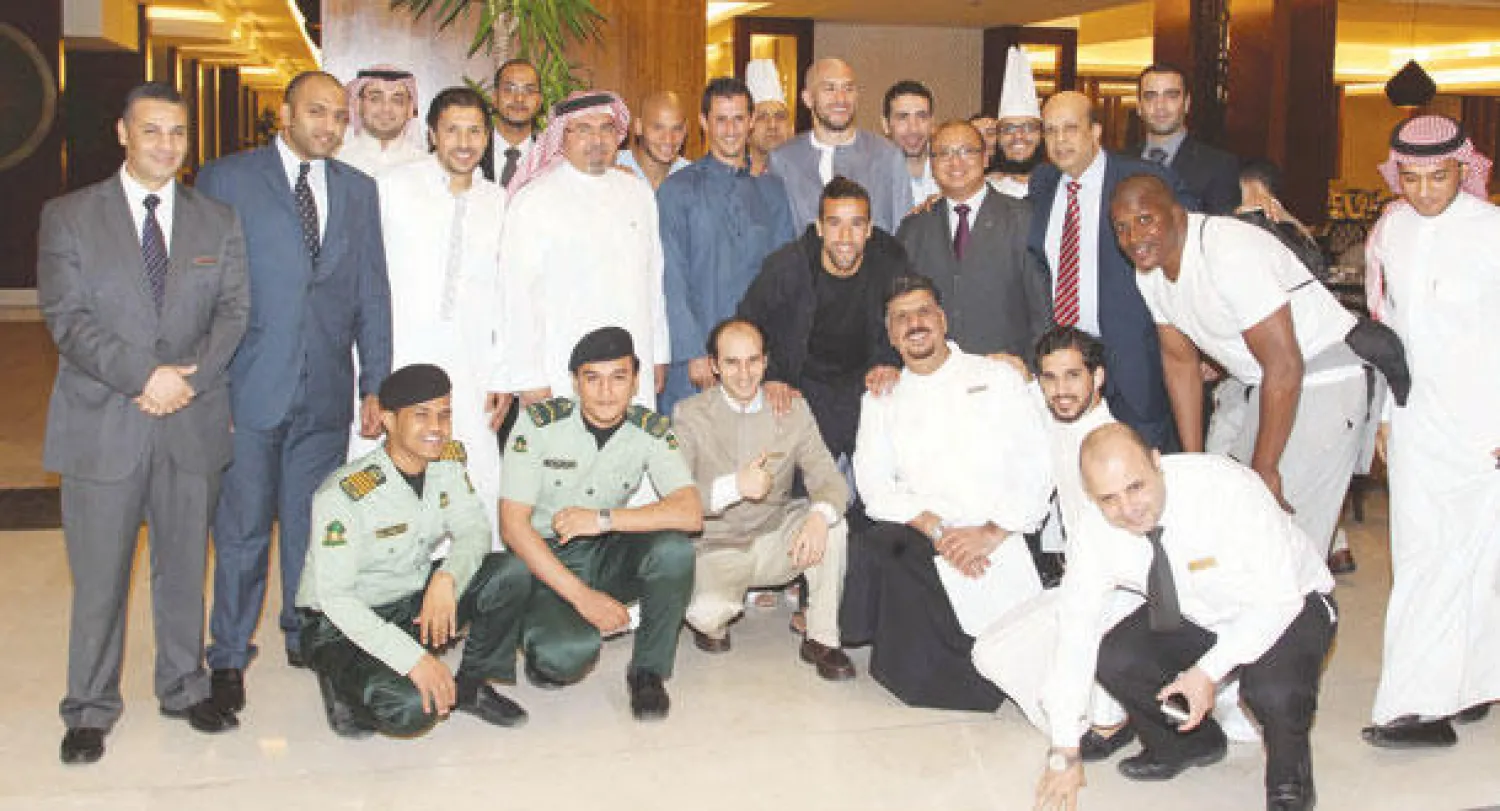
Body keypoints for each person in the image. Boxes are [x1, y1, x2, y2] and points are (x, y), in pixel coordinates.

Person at [39, 82, 250, 764]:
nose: (167, 144)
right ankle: (90, 706)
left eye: (179, 133)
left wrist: (185, 380)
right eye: (153, 131)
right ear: (123, 133)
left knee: (184, 567)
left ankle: (185, 686)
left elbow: (234, 314)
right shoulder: (69, 217)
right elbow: (67, 320)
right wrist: (144, 377)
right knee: (99, 577)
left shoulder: (218, 219)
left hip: (190, 418)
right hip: (106, 421)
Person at [196, 70, 393, 715]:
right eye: (317, 112)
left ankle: (302, 632)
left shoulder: (358, 190)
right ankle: (228, 654)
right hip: (250, 387)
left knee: (313, 528)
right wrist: (209, 385)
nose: (329, 126)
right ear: (285, 113)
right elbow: (205, 294)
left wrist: (377, 384)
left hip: (328, 392)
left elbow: (371, 293)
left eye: (339, 116)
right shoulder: (227, 180)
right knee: (244, 529)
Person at [1035, 424, 1335, 811]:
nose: (1127, 509)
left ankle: (1288, 780)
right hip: (1200, 614)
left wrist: (1205, 673)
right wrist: (1064, 751)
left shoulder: (1226, 490)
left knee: (1273, 692)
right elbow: (1075, 634)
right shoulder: (1092, 533)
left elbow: (1279, 600)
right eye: (1108, 499)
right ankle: (1188, 745)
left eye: (1136, 487)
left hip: (1290, 606)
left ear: (1157, 463)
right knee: (1117, 658)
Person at [1110, 173, 1368, 561]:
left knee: (1286, 540)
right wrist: (1194, 460)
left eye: (1145, 219)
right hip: (1260, 383)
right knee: (1228, 513)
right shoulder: (1150, 269)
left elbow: (1284, 363)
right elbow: (1181, 364)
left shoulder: (1227, 251)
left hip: (1321, 377)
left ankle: (1302, 613)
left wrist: (1267, 467)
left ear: (1177, 213)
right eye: (1122, 228)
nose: (1133, 238)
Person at [1360, 114, 1500, 749]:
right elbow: (1392, 339)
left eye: (1438, 176)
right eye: (1410, 177)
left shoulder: (1492, 232)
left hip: (1483, 426)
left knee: (1473, 561)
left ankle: (1435, 698)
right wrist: (1386, 420)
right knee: (1422, 559)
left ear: (1463, 169)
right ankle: (1444, 692)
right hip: (1417, 421)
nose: (1423, 190)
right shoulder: (1391, 231)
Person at [851, 275, 1053, 710]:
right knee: (880, 542)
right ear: (890, 335)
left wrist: (992, 531)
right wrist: (937, 529)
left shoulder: (996, 376)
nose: (915, 323)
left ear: (943, 319)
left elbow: (1036, 463)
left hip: (1005, 530)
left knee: (1023, 657)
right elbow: (873, 486)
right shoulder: (882, 397)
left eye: (923, 311)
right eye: (901, 318)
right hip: (930, 539)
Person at [297, 365, 530, 738]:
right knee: (412, 709)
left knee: (509, 572)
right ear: (388, 420)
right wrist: (413, 660)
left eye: (444, 414)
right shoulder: (344, 495)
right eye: (421, 416)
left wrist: (446, 578)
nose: (436, 427)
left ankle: (471, 687)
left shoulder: (447, 464)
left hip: (409, 597)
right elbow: (336, 599)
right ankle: (340, 683)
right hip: (340, 624)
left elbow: (473, 529)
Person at [498, 328, 702, 720]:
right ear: (575, 382)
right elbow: (512, 527)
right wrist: (582, 597)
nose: (607, 392)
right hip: (541, 559)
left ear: (636, 381)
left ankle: (648, 672)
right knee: (567, 656)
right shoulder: (538, 426)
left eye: (619, 377)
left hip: (604, 548)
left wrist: (604, 519)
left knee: (674, 549)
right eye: (593, 378)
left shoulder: (649, 429)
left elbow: (690, 512)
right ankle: (541, 637)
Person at [354, 87, 509, 547]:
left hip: (473, 365)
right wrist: (372, 374)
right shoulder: (391, 189)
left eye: (475, 131)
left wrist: (501, 371)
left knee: (473, 475)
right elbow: (369, 284)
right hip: (403, 354)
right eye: (452, 130)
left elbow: (506, 294)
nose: (464, 142)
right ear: (431, 135)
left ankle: (470, 588)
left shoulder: (498, 201)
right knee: (391, 477)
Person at [971, 327, 1135, 757]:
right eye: (1050, 378)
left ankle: (1110, 720)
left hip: (1121, 592)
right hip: (1077, 582)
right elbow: (1011, 396)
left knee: (1079, 657)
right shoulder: (1055, 412)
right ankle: (1074, 718)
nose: (1060, 390)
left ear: (1097, 378)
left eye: (1072, 376)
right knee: (990, 653)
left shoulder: (1111, 442)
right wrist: (1011, 371)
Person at [672, 319, 854, 679]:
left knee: (833, 524)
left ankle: (822, 638)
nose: (744, 375)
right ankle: (717, 617)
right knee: (706, 615)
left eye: (753, 361)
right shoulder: (689, 414)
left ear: (766, 362)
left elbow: (830, 480)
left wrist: (819, 516)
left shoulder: (793, 410)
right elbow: (677, 498)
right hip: (715, 544)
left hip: (775, 536)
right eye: (732, 363)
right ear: (713, 365)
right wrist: (734, 487)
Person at [499, 91, 669, 410]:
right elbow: (518, 297)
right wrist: (529, 379)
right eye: (584, 130)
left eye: (606, 128)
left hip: (631, 365)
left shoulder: (637, 192)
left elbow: (653, 282)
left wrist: (658, 354)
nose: (597, 139)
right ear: (561, 138)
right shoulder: (533, 201)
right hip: (560, 370)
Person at [1029, 91, 1178, 450]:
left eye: (1070, 128)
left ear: (1095, 131)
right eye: (1050, 131)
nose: (1060, 140)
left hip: (1132, 361)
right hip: (1064, 366)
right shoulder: (1043, 184)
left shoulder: (1143, 180)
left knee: (1142, 472)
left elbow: (1185, 251)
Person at [736, 177, 908, 464]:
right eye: (834, 223)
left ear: (869, 229)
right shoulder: (788, 266)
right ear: (819, 227)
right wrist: (773, 376)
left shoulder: (889, 261)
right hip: (804, 381)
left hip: (864, 378)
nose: (844, 237)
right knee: (802, 481)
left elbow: (911, 312)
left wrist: (889, 360)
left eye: (855, 224)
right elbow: (747, 324)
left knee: (887, 466)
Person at [657, 77, 795, 416]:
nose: (730, 129)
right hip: (698, 361)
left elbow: (785, 281)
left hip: (755, 363)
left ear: (751, 121)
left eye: (738, 118)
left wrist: (775, 361)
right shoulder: (678, 190)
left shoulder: (773, 191)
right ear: (704, 123)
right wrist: (692, 352)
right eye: (721, 119)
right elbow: (670, 277)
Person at [896, 120, 1052, 359]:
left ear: (986, 158)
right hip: (934, 375)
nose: (955, 162)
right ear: (932, 164)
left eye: (966, 151)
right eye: (944, 153)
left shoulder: (1024, 219)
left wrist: (1033, 367)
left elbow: (1042, 308)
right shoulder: (915, 228)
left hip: (1006, 372)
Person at [771, 58, 913, 232]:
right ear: (808, 98)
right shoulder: (784, 160)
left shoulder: (886, 156)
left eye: (848, 88)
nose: (841, 98)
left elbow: (904, 234)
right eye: (829, 88)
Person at [1135, 64, 1240, 215]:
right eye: (1150, 96)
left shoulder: (1218, 166)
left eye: (1171, 95)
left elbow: (1220, 232)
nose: (1160, 106)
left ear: (1186, 103)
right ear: (1139, 106)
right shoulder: (1117, 162)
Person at [337, 66, 426, 176]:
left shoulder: (426, 166)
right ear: (358, 104)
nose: (386, 109)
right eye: (375, 99)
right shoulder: (338, 161)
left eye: (397, 100)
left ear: (410, 109)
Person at [989, 46, 1045, 199]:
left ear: (1042, 134)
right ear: (998, 137)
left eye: (1028, 127)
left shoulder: (1062, 189)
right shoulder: (982, 192)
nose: (1018, 136)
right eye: (1008, 129)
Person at [616, 91, 689, 190]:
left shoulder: (693, 177)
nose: (668, 139)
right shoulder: (610, 167)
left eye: (677, 128)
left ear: (685, 130)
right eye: (658, 128)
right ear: (638, 127)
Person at [882, 80, 938, 203]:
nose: (913, 128)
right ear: (886, 125)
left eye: (922, 116)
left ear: (932, 123)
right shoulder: (870, 177)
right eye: (903, 117)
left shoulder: (954, 171)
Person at [491, 59, 543, 189]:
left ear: (540, 102)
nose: (519, 98)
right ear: (494, 97)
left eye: (529, 91)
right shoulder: (472, 150)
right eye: (509, 89)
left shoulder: (551, 157)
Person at [745, 59, 792, 177]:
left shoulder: (805, 177)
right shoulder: (732, 181)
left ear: (791, 129)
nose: (772, 125)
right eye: (761, 117)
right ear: (746, 131)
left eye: (780, 116)